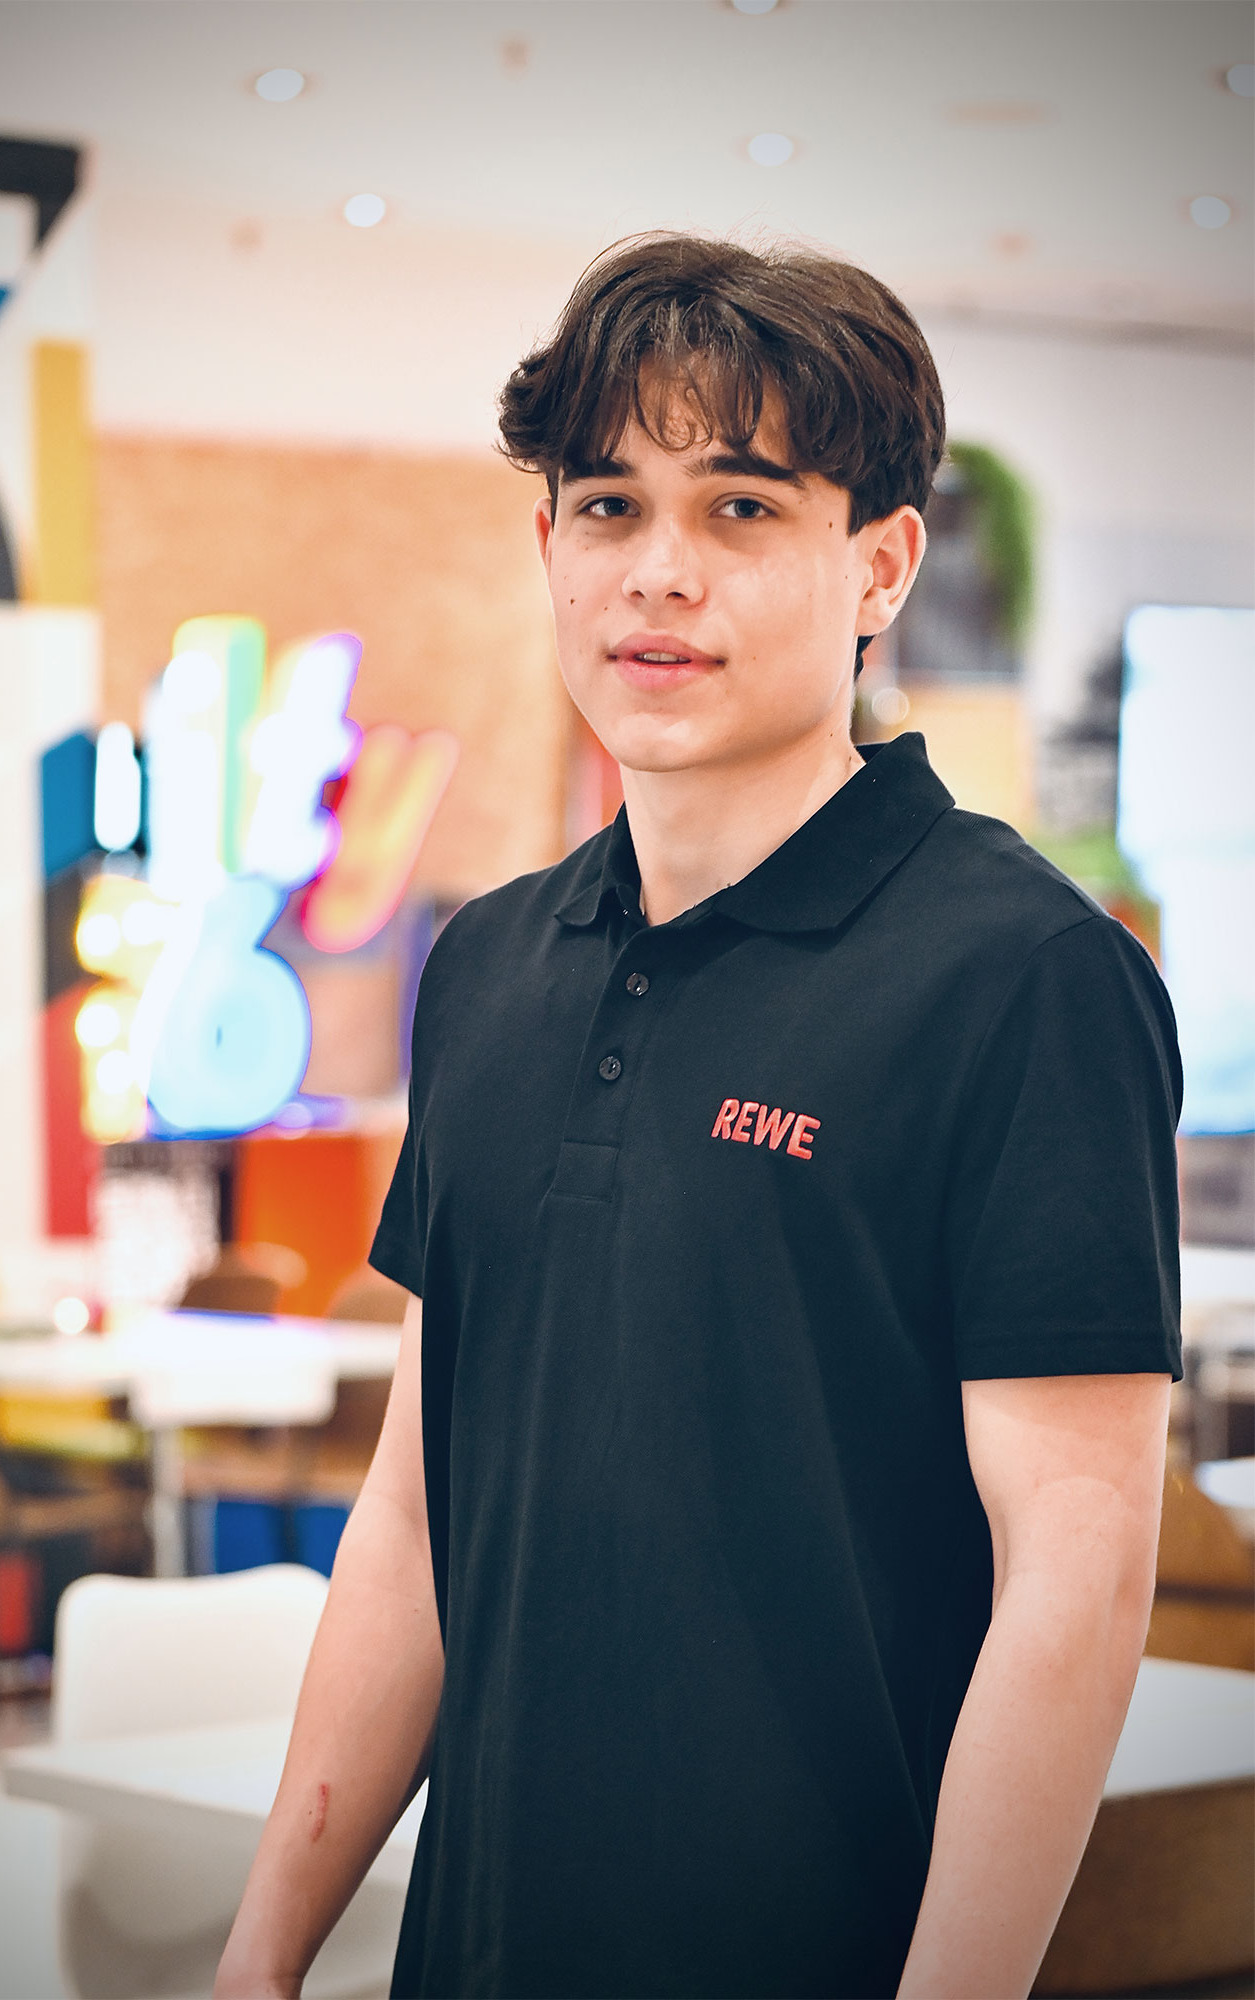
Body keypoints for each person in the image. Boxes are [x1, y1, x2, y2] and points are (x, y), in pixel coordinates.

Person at [215, 234, 1180, 2000]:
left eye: (741, 509)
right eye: (610, 507)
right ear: (549, 548)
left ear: (881, 565)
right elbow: (417, 1523)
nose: (659, 572)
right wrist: (260, 1957)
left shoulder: (1026, 975)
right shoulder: (489, 966)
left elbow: (1081, 1578)